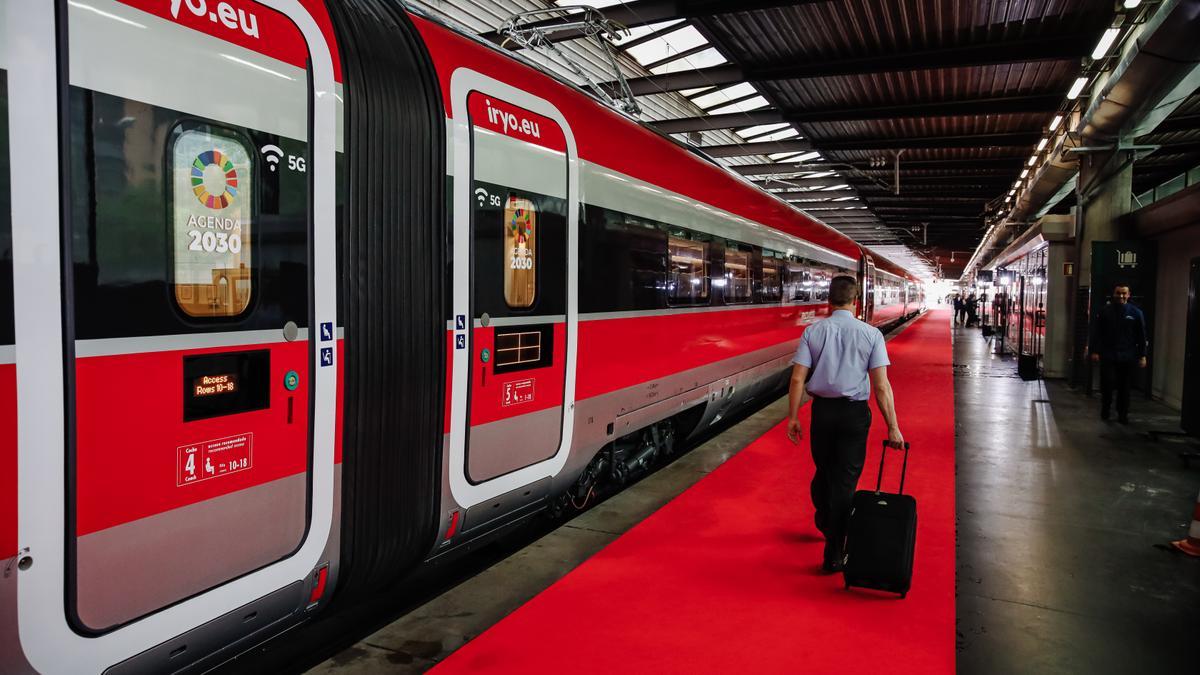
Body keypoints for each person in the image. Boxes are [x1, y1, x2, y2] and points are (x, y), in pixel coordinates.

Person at [786, 275, 904, 573]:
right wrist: (893, 426)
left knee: (825, 472)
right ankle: (835, 551)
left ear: (828, 300)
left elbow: (798, 378)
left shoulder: (813, 332)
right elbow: (881, 386)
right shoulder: (871, 334)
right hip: (854, 416)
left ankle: (827, 523)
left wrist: (793, 417)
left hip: (822, 414)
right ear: (857, 302)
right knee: (844, 482)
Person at [1088, 284, 1148, 424]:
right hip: (1108, 354)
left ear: (1128, 295)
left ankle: (1122, 413)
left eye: (1124, 293)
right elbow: (1097, 333)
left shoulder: (1136, 313)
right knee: (1107, 384)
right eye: (1118, 293)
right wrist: (1095, 350)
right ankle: (1106, 408)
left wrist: (1142, 355)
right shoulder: (1105, 312)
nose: (1121, 296)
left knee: (1124, 387)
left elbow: (1141, 335)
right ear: (1113, 294)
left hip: (1127, 355)